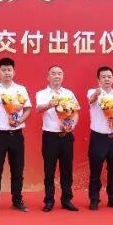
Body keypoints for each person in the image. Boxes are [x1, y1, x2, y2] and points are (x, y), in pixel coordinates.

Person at [0, 57, 32, 212]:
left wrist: (20, 121)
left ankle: (17, 199)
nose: (7, 73)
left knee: (17, 169)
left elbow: (28, 109)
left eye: (9, 70)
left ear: (14, 72)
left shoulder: (21, 89)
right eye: (3, 70)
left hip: (16, 134)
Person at [35, 65, 80, 212]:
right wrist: (49, 104)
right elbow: (39, 108)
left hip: (66, 136)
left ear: (62, 76)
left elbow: (75, 113)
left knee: (67, 170)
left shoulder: (69, 93)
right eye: (53, 73)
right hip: (50, 137)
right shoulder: (42, 94)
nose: (57, 76)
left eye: (59, 73)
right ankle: (49, 200)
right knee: (49, 170)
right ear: (48, 77)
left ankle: (67, 200)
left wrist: (71, 125)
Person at [86, 66, 113, 211]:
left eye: (109, 76)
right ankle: (94, 199)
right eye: (103, 77)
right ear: (99, 79)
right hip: (99, 138)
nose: (107, 79)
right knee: (95, 169)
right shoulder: (93, 92)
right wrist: (96, 94)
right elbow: (91, 100)